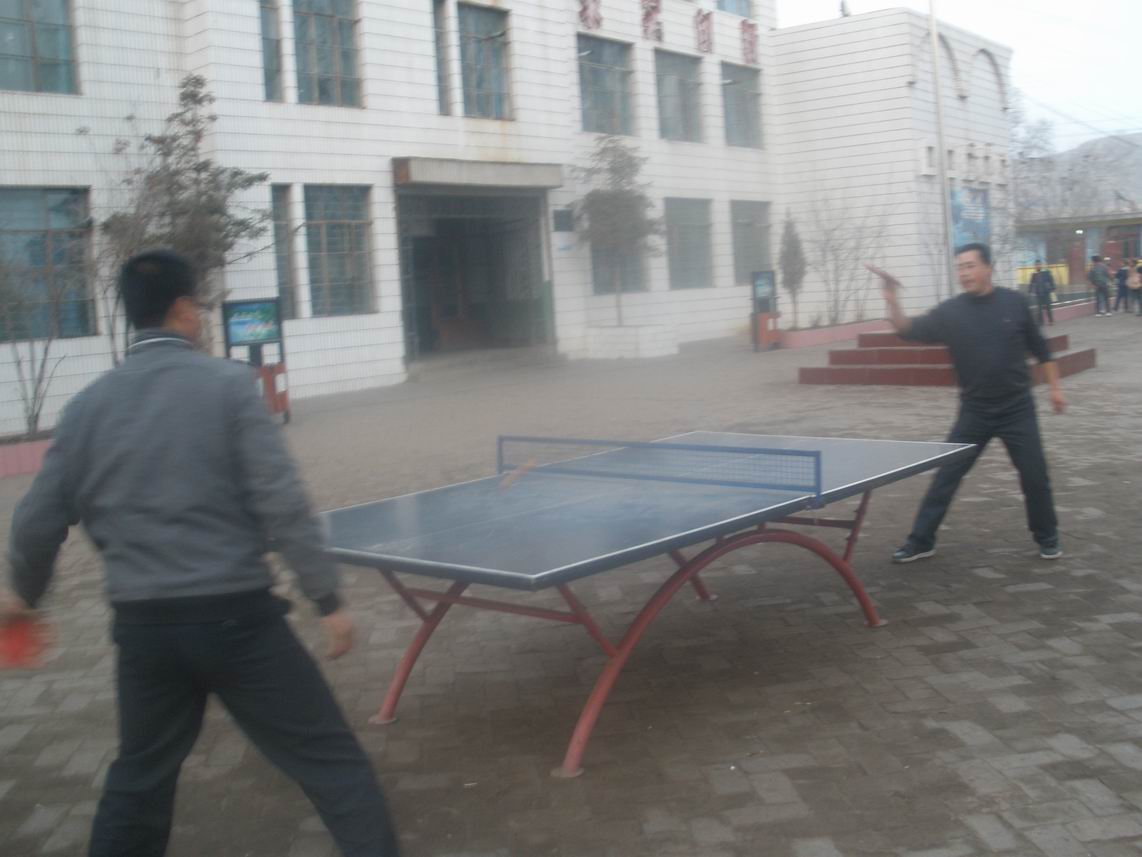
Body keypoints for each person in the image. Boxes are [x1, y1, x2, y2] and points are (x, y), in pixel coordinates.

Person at [0, 251, 400, 857]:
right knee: (331, 762)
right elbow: (281, 501)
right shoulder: (228, 387)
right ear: (185, 310)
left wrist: (24, 597)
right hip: (238, 621)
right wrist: (327, 598)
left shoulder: (85, 408)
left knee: (138, 782)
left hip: (144, 632)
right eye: (201, 309)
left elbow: (35, 522)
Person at [866, 243, 1066, 564]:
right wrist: (892, 300)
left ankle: (1047, 536)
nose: (964, 273)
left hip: (1017, 408)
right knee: (946, 476)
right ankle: (921, 540)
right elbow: (907, 330)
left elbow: (1042, 350)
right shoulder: (951, 312)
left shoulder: (1014, 303)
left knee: (1035, 476)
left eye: (970, 266)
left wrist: (1055, 389)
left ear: (988, 268)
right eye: (960, 267)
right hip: (975, 411)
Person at [1028, 260, 1056, 326]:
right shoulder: (1034, 274)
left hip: (1046, 293)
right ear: (1035, 266)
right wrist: (1030, 291)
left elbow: (1051, 280)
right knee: (1039, 309)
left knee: (1048, 307)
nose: (1037, 266)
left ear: (1041, 265)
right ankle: (1041, 322)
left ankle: (1051, 321)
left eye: (1039, 264)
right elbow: (1031, 283)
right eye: (1036, 265)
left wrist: (1053, 288)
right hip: (1038, 294)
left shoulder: (1046, 272)